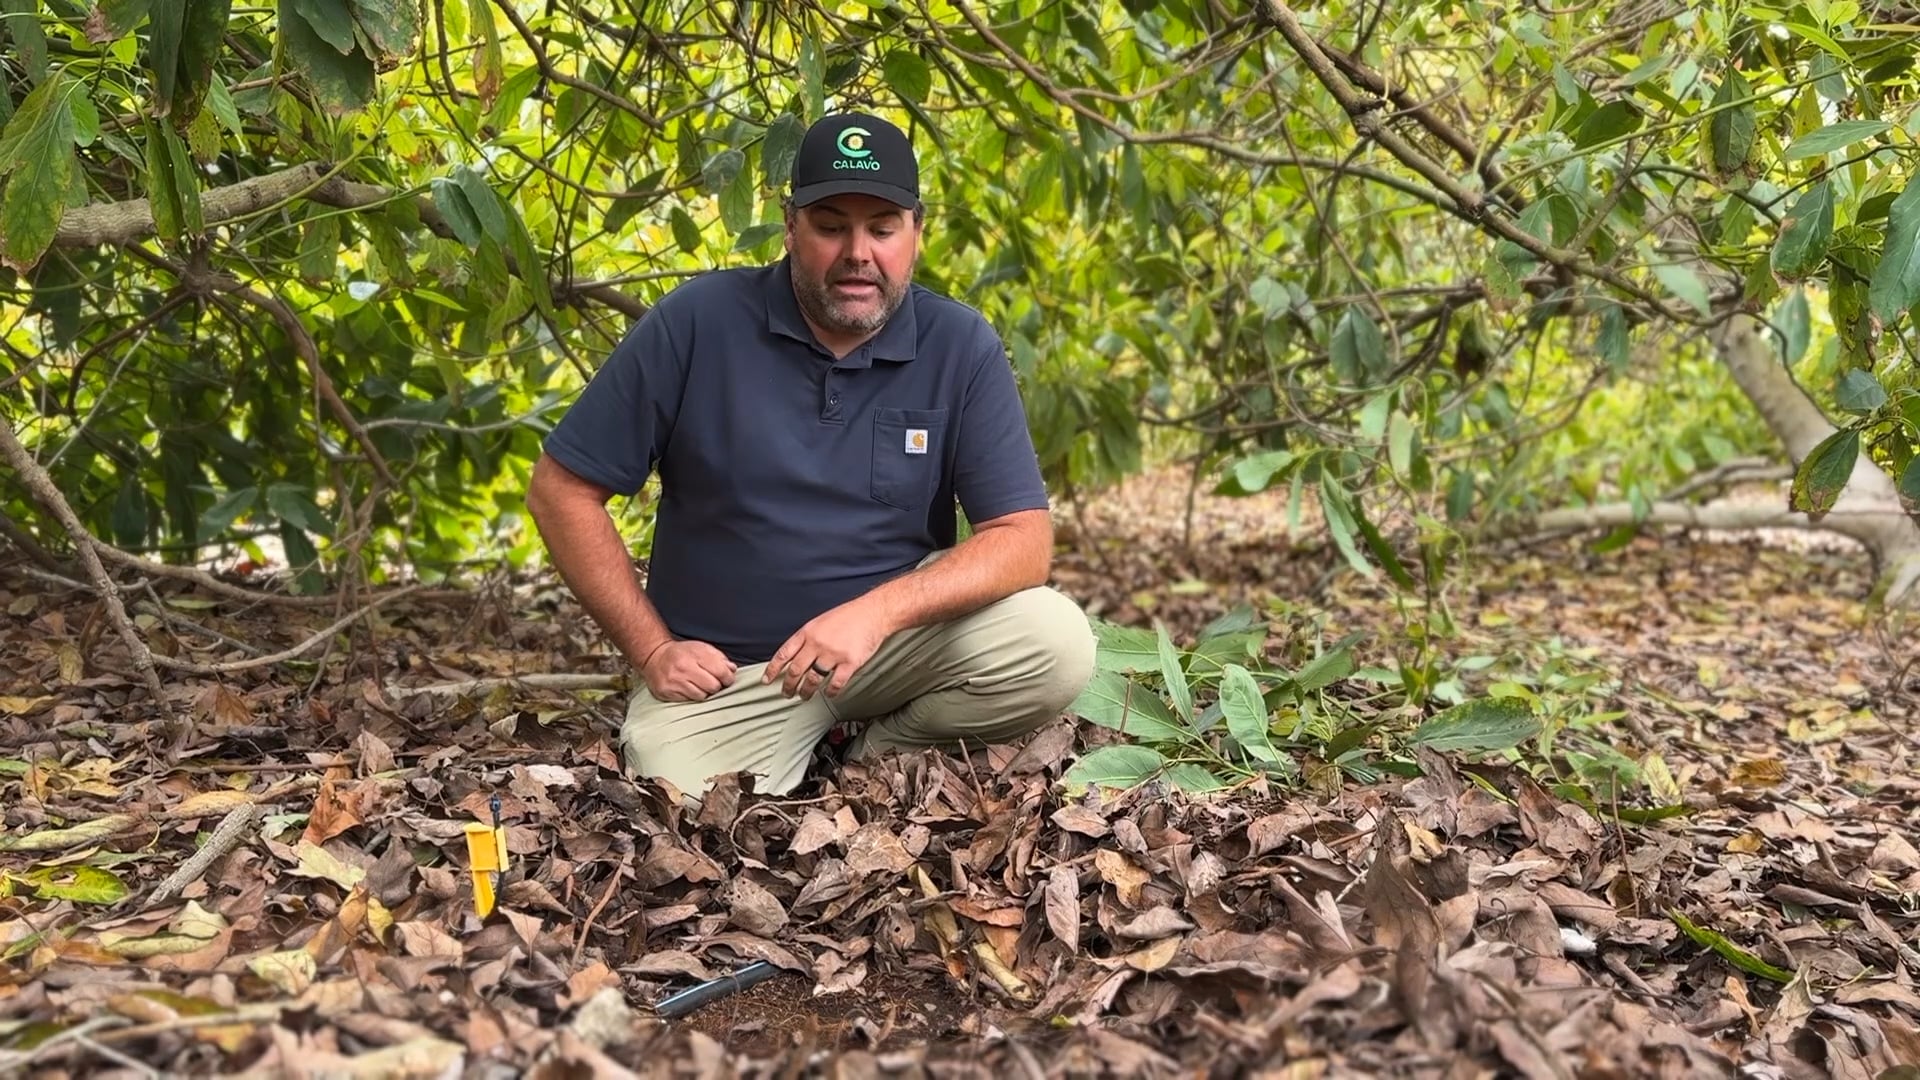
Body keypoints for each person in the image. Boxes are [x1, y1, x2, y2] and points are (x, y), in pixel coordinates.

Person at [524, 111, 1096, 799]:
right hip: (740, 676)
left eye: (881, 228)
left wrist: (875, 614)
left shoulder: (960, 344)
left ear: (916, 232)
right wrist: (652, 649)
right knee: (675, 784)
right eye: (832, 226)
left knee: (1056, 643)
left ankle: (877, 753)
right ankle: (800, 746)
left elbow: (1023, 540)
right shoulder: (697, 321)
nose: (859, 252)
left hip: (892, 652)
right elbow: (562, 490)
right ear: (790, 225)